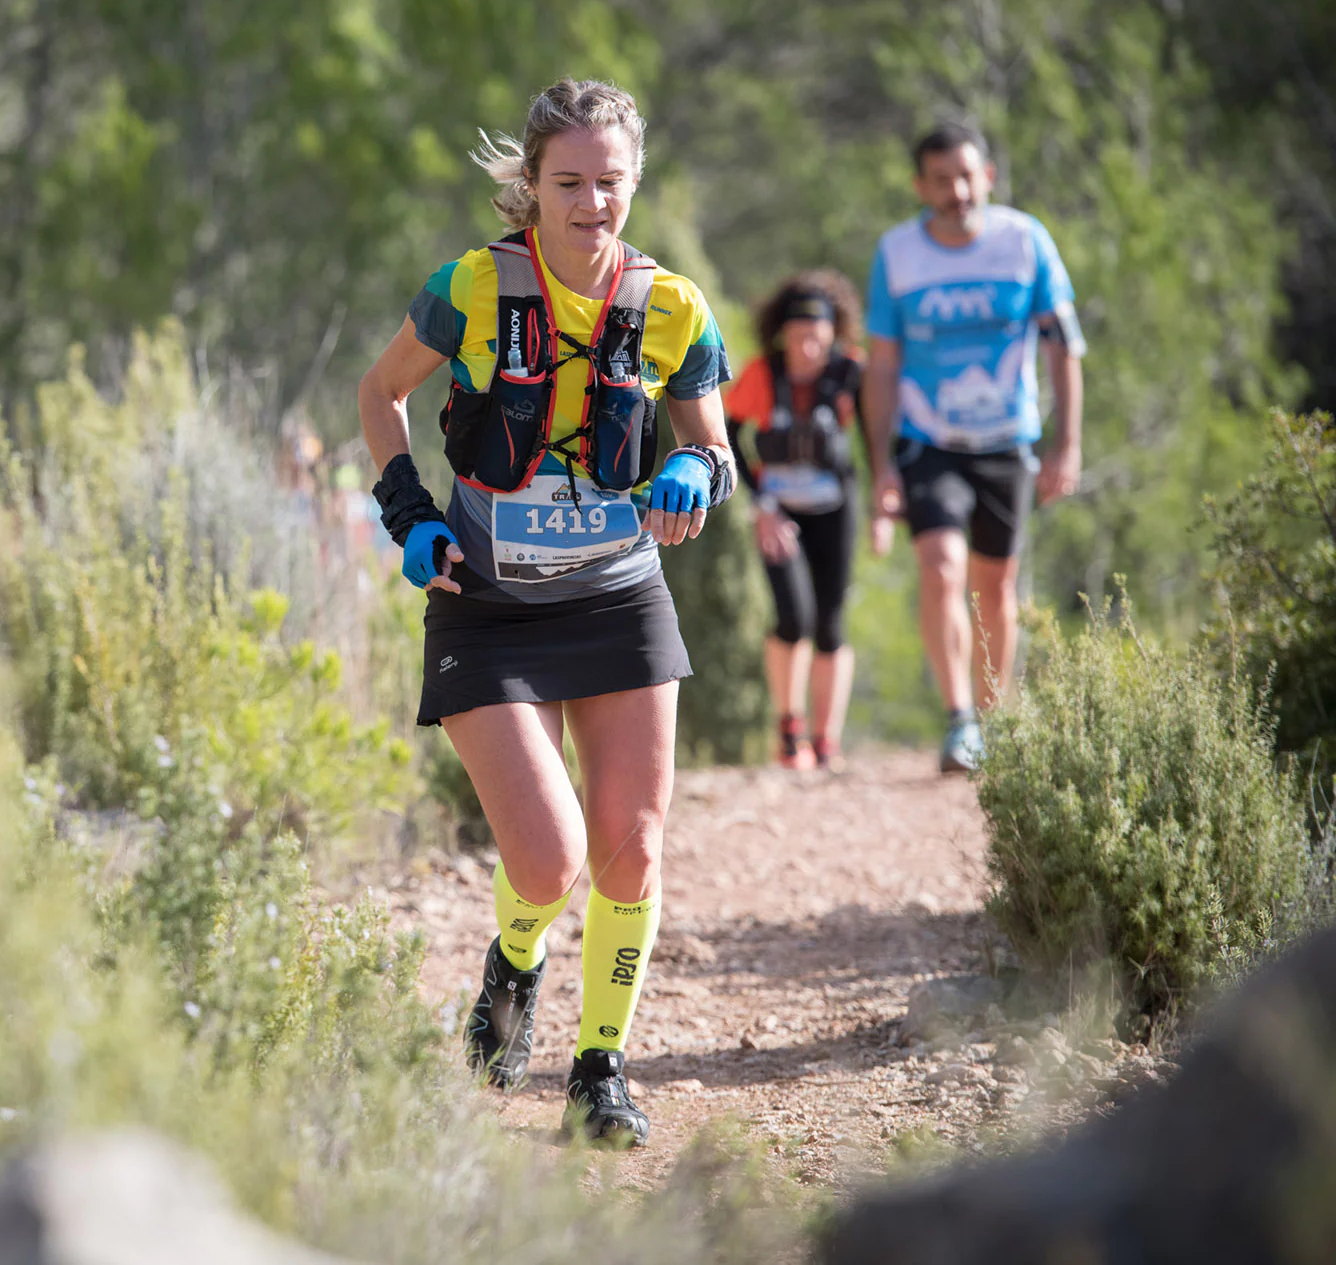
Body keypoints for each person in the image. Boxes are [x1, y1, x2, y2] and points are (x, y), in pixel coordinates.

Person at [356, 79, 735, 1147]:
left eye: (608, 183)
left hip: (616, 596)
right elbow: (378, 394)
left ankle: (598, 1071)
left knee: (632, 847)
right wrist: (408, 517)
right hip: (484, 604)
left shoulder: (672, 307)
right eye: (566, 183)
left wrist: (693, 481)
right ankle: (512, 960)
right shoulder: (469, 289)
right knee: (545, 861)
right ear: (528, 187)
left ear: (633, 184)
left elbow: (714, 447)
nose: (589, 204)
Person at [862, 123, 1085, 774]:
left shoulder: (1025, 241)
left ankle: (995, 719)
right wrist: (881, 466)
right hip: (929, 440)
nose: (956, 191)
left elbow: (1063, 346)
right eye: (940, 179)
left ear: (986, 175)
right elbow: (881, 365)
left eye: (966, 175)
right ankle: (960, 719)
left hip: (1008, 441)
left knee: (997, 585)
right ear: (920, 185)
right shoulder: (898, 254)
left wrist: (1066, 444)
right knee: (940, 568)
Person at [723, 270, 865, 771]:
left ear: (834, 335)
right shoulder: (762, 375)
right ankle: (790, 729)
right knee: (793, 617)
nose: (808, 347)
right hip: (779, 514)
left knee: (830, 624)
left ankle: (828, 740)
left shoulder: (850, 373)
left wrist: (890, 505)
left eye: (818, 337)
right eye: (799, 336)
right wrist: (759, 506)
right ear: (782, 333)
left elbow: (875, 436)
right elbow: (726, 436)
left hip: (837, 510)